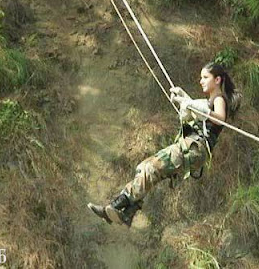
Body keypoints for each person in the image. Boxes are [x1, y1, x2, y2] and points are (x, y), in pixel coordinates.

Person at [87, 62, 241, 226]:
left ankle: (118, 205)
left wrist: (191, 105)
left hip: (194, 148)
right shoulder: (209, 100)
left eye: (205, 77)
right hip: (191, 148)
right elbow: (199, 111)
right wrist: (185, 99)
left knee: (150, 168)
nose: (201, 81)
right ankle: (127, 212)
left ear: (217, 80)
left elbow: (220, 117)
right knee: (145, 167)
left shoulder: (219, 99)